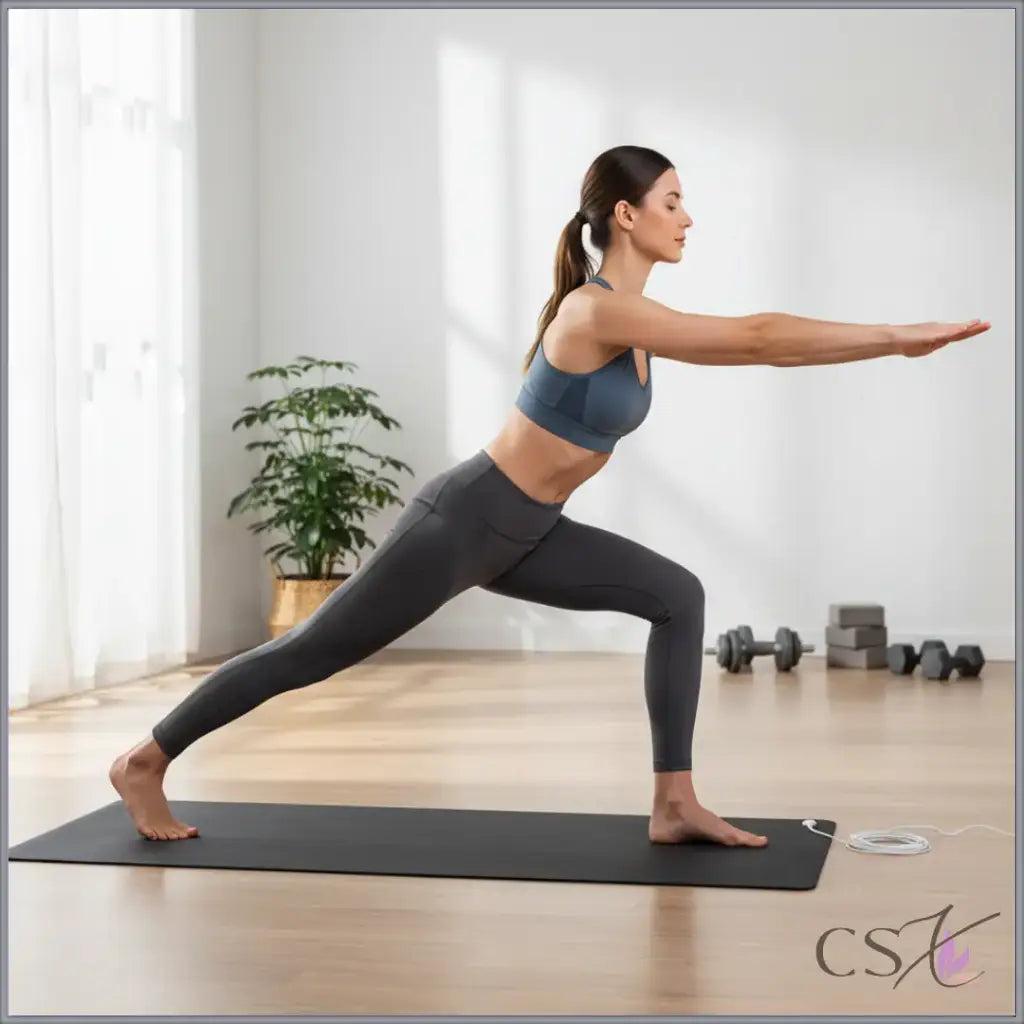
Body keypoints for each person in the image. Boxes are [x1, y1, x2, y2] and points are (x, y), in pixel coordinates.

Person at [109, 144, 990, 844]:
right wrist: (895, 335)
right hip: (463, 521)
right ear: (626, 214)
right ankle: (146, 760)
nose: (688, 217)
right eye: (673, 200)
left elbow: (764, 344)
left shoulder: (637, 321)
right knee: (311, 653)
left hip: (530, 530)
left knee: (677, 597)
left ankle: (674, 801)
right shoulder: (594, 311)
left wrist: (890, 343)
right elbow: (759, 336)